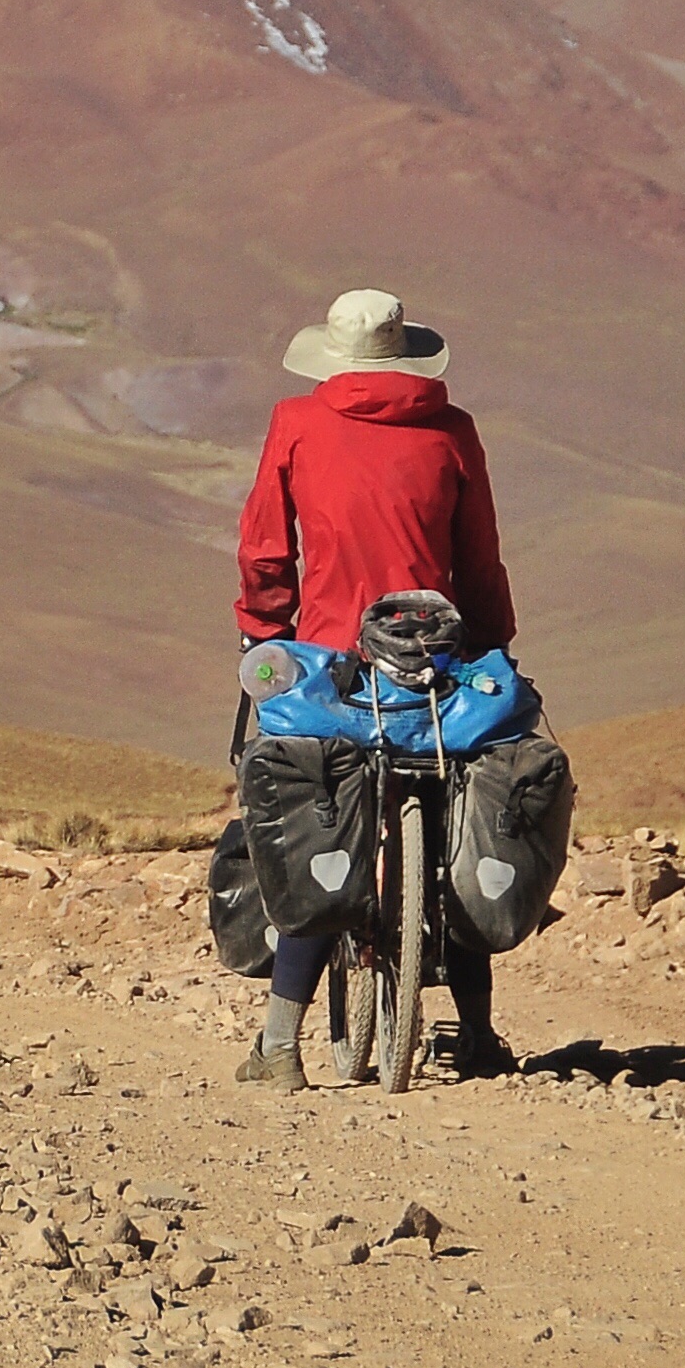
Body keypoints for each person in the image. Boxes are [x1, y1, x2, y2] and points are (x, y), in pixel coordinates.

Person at [230, 288, 522, 1088]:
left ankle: (280, 1047)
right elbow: (479, 554)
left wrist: (264, 628)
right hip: (434, 663)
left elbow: (265, 546)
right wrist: (490, 642)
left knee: (318, 828)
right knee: (459, 816)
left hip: (330, 669)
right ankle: (479, 1032)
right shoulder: (452, 431)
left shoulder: (297, 422)